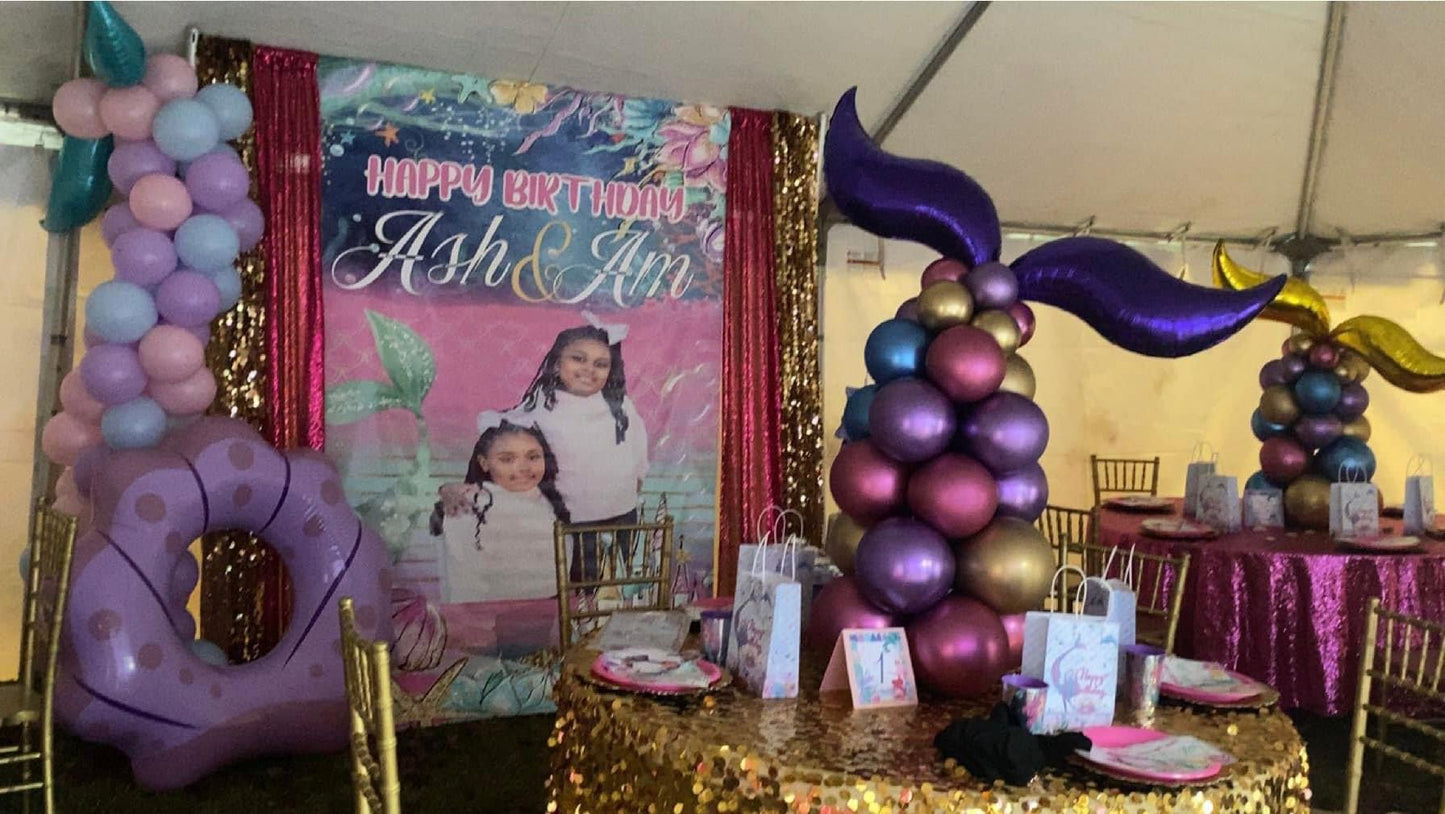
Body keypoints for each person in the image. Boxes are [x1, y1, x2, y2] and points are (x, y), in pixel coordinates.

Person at [508, 312, 649, 586]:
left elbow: (638, 447)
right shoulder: (539, 407)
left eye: (601, 364)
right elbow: (499, 442)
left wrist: (633, 481)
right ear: (557, 362)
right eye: (578, 359)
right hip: (573, 524)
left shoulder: (620, 405)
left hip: (623, 518)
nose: (589, 369)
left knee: (620, 590)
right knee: (578, 593)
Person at [431, 414, 570, 603]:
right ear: (484, 463)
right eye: (507, 459)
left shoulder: (550, 500)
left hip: (548, 606)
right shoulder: (471, 503)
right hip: (488, 611)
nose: (523, 467)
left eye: (533, 457)